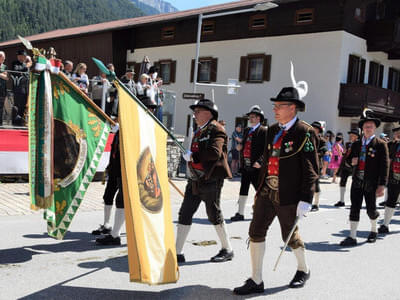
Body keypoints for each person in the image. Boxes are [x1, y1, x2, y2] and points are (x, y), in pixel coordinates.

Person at [233, 85, 318, 295]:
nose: (275, 109)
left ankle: (303, 269)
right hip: (266, 192)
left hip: (288, 194)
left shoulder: (305, 132)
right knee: (255, 231)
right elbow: (267, 158)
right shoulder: (272, 130)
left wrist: (307, 198)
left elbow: (310, 168)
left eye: (279, 106)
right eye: (275, 106)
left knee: (289, 236)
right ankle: (256, 279)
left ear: (293, 108)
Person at [176, 99, 233, 263]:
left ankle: (227, 248)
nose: (195, 114)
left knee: (213, 213)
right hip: (195, 179)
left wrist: (193, 156)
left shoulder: (216, 129)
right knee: (185, 212)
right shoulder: (200, 130)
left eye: (198, 111)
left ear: (208, 113)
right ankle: (177, 251)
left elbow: (215, 152)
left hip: (210, 178)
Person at [340, 110, 389, 246]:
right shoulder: (356, 144)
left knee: (371, 210)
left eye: (371, 126)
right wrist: (351, 162)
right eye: (366, 126)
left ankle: (373, 230)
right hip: (357, 181)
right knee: (354, 208)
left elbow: (385, 167)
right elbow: (347, 161)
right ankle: (352, 236)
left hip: (371, 183)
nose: (368, 128)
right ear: (362, 128)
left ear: (374, 128)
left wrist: (382, 185)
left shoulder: (380, 144)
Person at [230, 105, 267, 221]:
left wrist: (260, 161)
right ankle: (240, 213)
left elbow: (267, 149)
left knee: (259, 190)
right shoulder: (247, 130)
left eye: (253, 117)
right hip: (246, 165)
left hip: (256, 167)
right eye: (250, 117)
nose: (250, 119)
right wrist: (240, 147)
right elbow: (244, 144)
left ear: (259, 118)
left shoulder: (264, 131)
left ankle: (263, 212)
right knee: (243, 188)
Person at [95, 124, 125, 245]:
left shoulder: (131, 129)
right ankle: (107, 225)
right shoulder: (119, 131)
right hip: (114, 169)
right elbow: (115, 151)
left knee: (121, 201)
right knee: (108, 196)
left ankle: (116, 234)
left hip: (124, 171)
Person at [378, 125, 400, 234]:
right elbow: (389, 160)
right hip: (394, 177)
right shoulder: (393, 145)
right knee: (391, 200)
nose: (397, 134)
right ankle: (385, 225)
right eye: (396, 133)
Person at [334, 129, 360, 207]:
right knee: (342, 182)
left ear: (356, 136)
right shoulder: (348, 143)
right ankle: (342, 201)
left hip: (354, 166)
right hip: (346, 165)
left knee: (355, 184)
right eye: (350, 135)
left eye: (352, 135)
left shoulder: (359, 144)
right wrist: (344, 152)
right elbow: (345, 154)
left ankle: (355, 202)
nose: (350, 136)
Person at [311, 121, 328, 211]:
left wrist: (322, 152)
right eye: (313, 128)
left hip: (316, 164)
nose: (314, 130)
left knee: (316, 184)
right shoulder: (307, 138)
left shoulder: (321, 140)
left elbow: (324, 149)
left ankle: (316, 204)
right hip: (306, 163)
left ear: (319, 130)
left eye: (316, 129)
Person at [11, 49, 31, 125]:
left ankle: (21, 121)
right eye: (21, 56)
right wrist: (26, 66)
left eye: (24, 56)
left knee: (23, 106)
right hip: (18, 89)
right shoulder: (15, 63)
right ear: (19, 56)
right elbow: (16, 70)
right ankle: (15, 122)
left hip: (25, 89)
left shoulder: (25, 64)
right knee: (17, 106)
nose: (23, 58)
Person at [0, 51, 8, 126]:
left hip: (2, 89)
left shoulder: (4, 67)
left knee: (1, 106)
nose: (3, 60)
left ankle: (0, 123)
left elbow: (6, 77)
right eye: (2, 58)